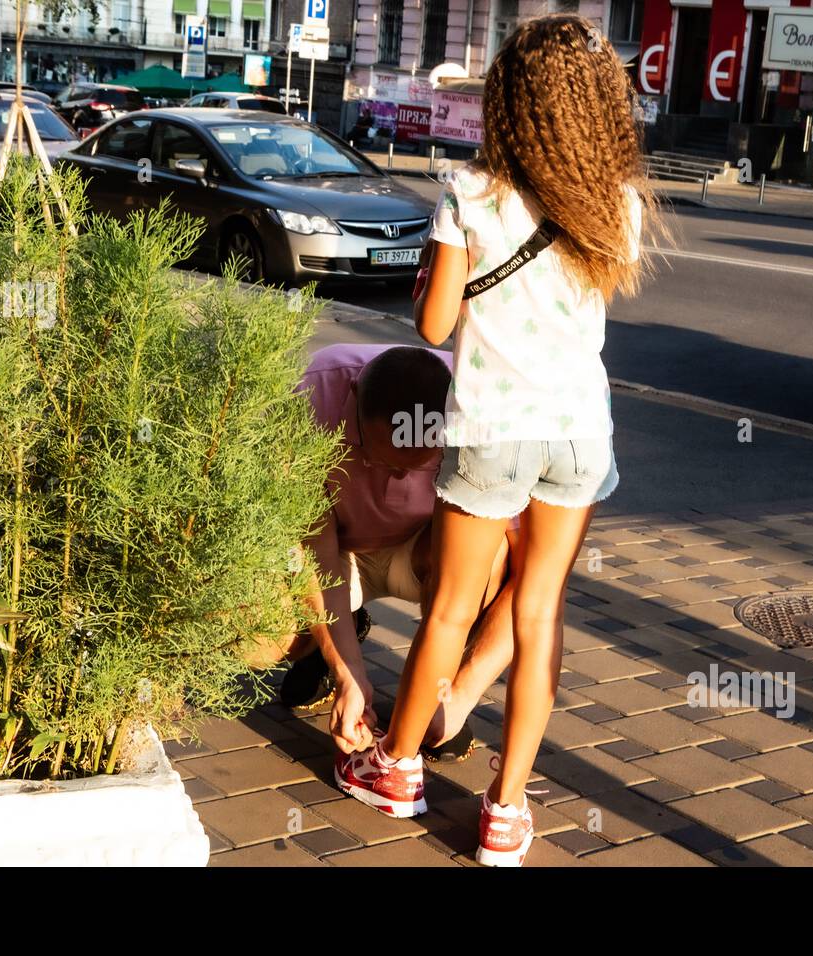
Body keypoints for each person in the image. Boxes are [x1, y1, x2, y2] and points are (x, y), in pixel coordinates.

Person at [333, 14, 658, 867]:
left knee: (450, 608)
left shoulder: (470, 193)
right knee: (541, 611)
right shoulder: (615, 202)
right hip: (579, 430)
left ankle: (397, 768)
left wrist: (442, 279)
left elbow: (435, 323)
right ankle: (506, 814)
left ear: (509, 104)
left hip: (492, 429)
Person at [256, 344, 519, 761]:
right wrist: (350, 673)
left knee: (491, 555)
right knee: (257, 637)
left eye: (419, 465)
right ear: (355, 398)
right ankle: (333, 644)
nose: (397, 478)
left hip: (423, 551)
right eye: (380, 459)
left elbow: (534, 585)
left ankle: (437, 693)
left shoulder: (482, 408)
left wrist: (460, 696)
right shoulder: (311, 395)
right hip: (337, 550)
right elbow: (314, 549)